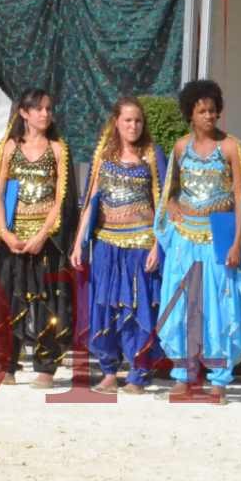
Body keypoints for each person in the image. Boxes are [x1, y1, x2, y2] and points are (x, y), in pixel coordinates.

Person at [154, 79, 241, 404]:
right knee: (183, 304)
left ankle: (218, 378)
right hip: (185, 239)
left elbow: (240, 195)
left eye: (213, 111)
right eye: (202, 111)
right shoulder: (179, 148)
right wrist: (173, 210)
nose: (209, 116)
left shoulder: (232, 147)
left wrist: (236, 243)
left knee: (220, 305)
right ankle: (183, 374)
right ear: (190, 113)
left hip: (219, 232)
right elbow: (170, 192)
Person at [70, 97, 163, 394]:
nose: (133, 126)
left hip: (140, 245)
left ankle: (138, 373)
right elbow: (89, 202)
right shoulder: (104, 155)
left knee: (137, 307)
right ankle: (109, 371)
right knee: (105, 307)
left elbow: (162, 205)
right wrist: (78, 244)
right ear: (116, 123)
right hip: (107, 245)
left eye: (138, 121)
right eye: (127, 120)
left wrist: (157, 246)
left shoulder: (152, 154)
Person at [0, 88, 73, 388]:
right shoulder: (9, 147)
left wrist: (44, 233)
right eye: (39, 109)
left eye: (48, 108)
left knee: (48, 302)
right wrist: (5, 234)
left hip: (45, 239)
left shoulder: (58, 149)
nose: (45, 114)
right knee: (8, 300)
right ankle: (6, 362)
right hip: (14, 238)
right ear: (24, 113)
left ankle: (46, 365)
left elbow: (62, 197)